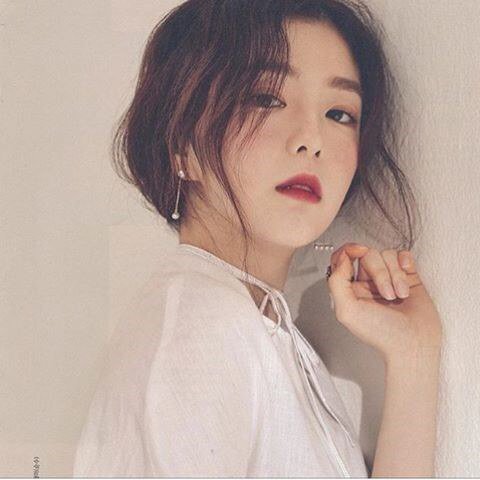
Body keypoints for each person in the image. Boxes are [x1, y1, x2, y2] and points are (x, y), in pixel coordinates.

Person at [73, 0, 443, 477]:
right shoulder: (203, 325)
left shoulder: (262, 326)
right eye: (266, 99)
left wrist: (413, 356)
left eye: (338, 113)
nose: (311, 139)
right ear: (181, 145)